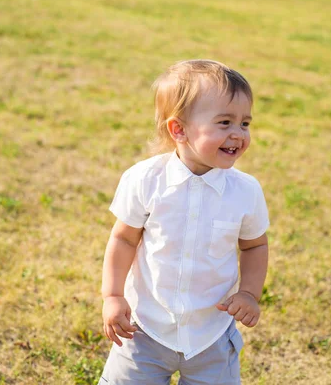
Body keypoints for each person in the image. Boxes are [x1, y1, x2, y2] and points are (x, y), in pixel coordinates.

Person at [99, 59, 270, 385]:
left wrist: (249, 293)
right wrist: (113, 296)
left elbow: (255, 245)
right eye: (224, 122)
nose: (238, 134)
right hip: (144, 328)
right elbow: (123, 239)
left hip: (212, 334)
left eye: (245, 124)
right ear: (179, 130)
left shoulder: (245, 191)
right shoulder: (145, 179)